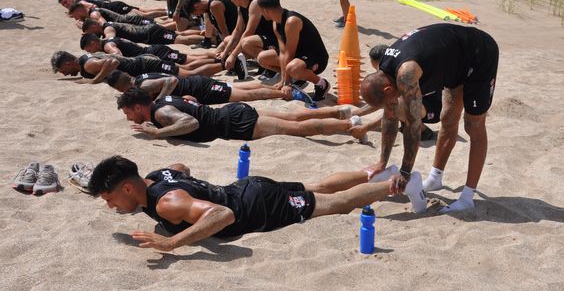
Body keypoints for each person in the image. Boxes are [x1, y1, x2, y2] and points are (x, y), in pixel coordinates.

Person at [88, 155, 415, 251]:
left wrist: (172, 241)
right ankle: (371, 170)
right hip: (249, 186)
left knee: (336, 204)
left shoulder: (166, 204)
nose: (110, 206)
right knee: (316, 186)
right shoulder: (156, 176)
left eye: (110, 198)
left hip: (256, 207)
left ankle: (398, 183)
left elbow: (223, 215)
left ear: (129, 189)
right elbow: (180, 167)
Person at [360, 23, 499, 213]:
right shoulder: (385, 71)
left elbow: (413, 124)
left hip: (478, 54)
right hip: (455, 60)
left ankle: (467, 197)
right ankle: (435, 178)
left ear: (387, 89)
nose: (389, 105)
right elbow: (390, 118)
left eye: (387, 100)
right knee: (448, 119)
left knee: (473, 125)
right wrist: (382, 163)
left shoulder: (406, 75)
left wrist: (405, 172)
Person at [116, 87, 370, 142]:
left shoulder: (161, 112)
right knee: (293, 118)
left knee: (299, 129)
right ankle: (340, 110)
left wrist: (158, 134)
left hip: (234, 123)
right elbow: (189, 102)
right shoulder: (163, 99)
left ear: (139, 106)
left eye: (129, 113)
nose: (129, 119)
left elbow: (189, 121)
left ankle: (349, 124)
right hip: (231, 112)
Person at [255, 0, 331, 101]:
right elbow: (282, 52)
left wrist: (288, 82)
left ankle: (322, 83)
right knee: (262, 59)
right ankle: (298, 78)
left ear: (265, 11)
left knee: (292, 68)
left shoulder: (292, 21)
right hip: (298, 58)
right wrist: (283, 80)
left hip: (317, 58)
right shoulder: (275, 23)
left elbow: (289, 54)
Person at [52, 50, 241, 84]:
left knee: (187, 74)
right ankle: (220, 62)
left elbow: (113, 62)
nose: (65, 74)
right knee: (187, 68)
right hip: (142, 63)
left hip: (143, 65)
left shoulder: (89, 64)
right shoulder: (85, 59)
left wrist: (94, 80)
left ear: (68, 63)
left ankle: (226, 64)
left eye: (63, 70)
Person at [107, 71, 285, 104]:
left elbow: (171, 81)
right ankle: (276, 88)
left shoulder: (143, 84)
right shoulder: (140, 77)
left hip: (199, 88)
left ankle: (281, 93)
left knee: (246, 96)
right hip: (196, 83)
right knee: (243, 91)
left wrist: (159, 100)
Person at [219, 0, 278, 73]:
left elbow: (249, 31)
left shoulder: (255, 4)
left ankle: (270, 65)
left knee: (247, 43)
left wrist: (233, 55)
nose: (231, 1)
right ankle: (253, 61)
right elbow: (238, 30)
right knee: (227, 40)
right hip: (258, 39)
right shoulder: (240, 7)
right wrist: (225, 53)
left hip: (271, 38)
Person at [80, 34, 219, 72]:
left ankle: (218, 58)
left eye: (89, 50)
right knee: (190, 59)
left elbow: (117, 55)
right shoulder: (109, 39)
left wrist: (106, 58)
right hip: (154, 50)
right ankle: (217, 57)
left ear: (93, 43)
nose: (92, 52)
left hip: (155, 53)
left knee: (189, 61)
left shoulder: (109, 45)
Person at [81, 18, 205, 46]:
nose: (90, 35)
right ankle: (204, 32)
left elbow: (111, 38)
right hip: (150, 32)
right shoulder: (106, 25)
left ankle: (208, 38)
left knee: (180, 40)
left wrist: (98, 42)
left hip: (151, 33)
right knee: (179, 35)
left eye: (89, 32)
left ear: (94, 26)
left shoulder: (107, 29)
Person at [57, 0, 166, 19]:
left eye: (66, 2)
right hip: (114, 5)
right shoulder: (81, 0)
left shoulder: (81, 2)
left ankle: (167, 12)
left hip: (114, 8)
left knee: (144, 15)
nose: (66, 5)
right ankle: (167, 10)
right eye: (63, 5)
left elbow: (93, 5)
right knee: (144, 10)